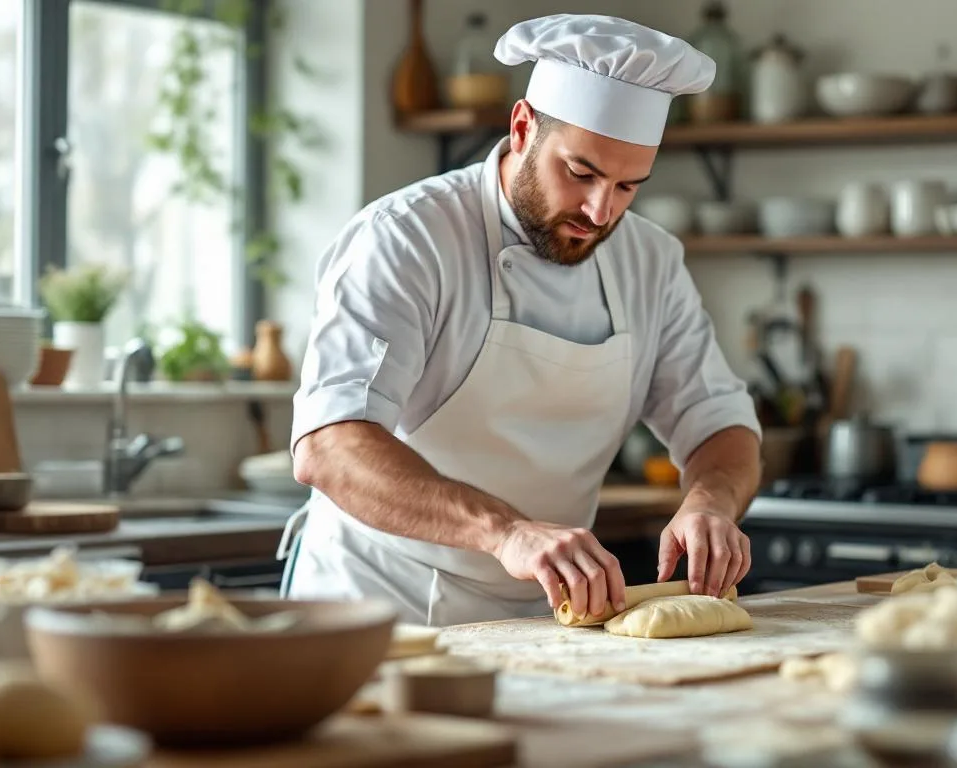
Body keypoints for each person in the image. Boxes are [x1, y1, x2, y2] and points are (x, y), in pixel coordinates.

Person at [277, 13, 763, 627]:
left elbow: (719, 423)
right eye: (580, 173)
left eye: (628, 186)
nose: (599, 210)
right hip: (378, 606)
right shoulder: (407, 239)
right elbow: (329, 447)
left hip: (545, 616)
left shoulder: (651, 261)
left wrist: (711, 503)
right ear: (523, 125)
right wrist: (506, 532)